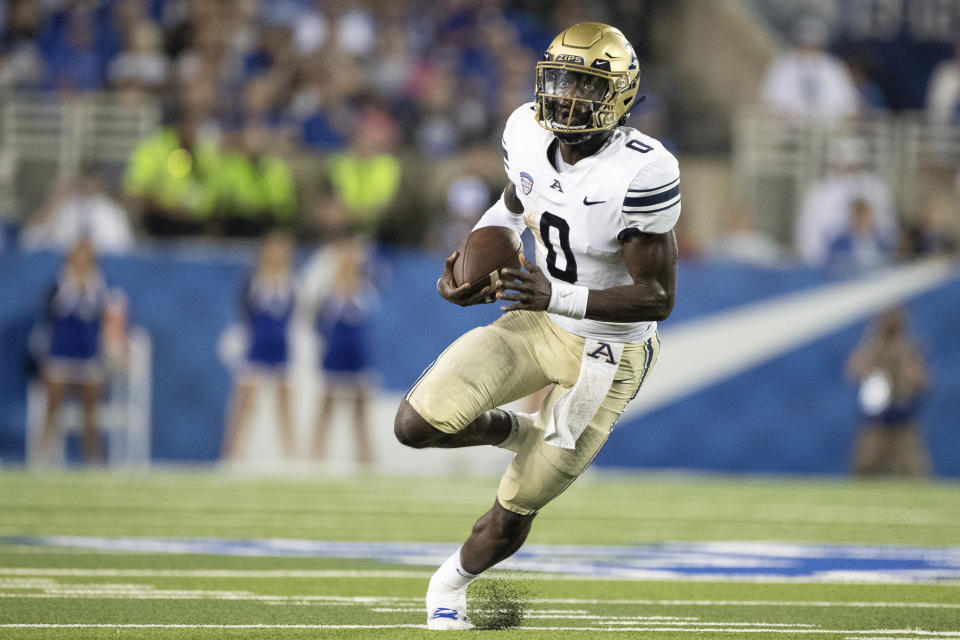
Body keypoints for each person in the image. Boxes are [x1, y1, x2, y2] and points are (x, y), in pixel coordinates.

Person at [392, 23, 678, 630]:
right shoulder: (524, 129)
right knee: (415, 424)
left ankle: (449, 586)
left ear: (621, 96)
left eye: (586, 83)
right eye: (561, 79)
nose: (568, 95)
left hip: (608, 352)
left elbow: (656, 297)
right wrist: (476, 249)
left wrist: (557, 293)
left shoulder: (641, 171)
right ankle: (517, 433)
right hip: (537, 318)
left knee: (515, 506)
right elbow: (514, 205)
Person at [221, 232, 297, 462]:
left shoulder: (292, 281)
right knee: (244, 403)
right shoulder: (253, 280)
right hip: (255, 348)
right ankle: (231, 456)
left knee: (284, 405)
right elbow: (243, 314)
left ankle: (292, 458)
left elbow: (295, 315)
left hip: (280, 348)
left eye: (281, 249)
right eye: (273, 248)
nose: (277, 253)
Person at [37, 238, 110, 464]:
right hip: (61, 353)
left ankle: (91, 458)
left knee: (90, 409)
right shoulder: (58, 284)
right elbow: (50, 317)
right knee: (53, 405)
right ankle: (42, 457)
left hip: (87, 355)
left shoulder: (99, 286)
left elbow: (102, 318)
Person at [311, 235, 378, 467]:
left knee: (360, 408)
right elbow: (319, 320)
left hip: (357, 355)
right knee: (327, 404)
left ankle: (365, 456)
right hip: (335, 353)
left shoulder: (366, 287)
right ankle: (315, 454)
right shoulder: (328, 289)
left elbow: (367, 317)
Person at [846, 307, 931, 477]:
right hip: (877, 420)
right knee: (865, 467)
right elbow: (853, 372)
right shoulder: (871, 348)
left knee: (913, 470)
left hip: (902, 418)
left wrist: (911, 374)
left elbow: (923, 381)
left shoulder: (909, 348)